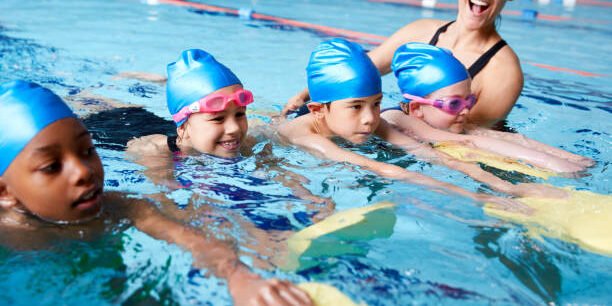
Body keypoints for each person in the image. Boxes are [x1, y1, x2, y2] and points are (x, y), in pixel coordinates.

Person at [0, 80, 312, 306]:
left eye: (87, 150)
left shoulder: (121, 207)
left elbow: (194, 240)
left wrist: (242, 279)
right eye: (52, 166)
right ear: (5, 192)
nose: (84, 171)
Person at [276, 38, 526, 209]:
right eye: (356, 106)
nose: (370, 117)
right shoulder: (304, 137)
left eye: (376, 103)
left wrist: (506, 187)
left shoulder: (372, 122)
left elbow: (429, 154)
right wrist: (475, 197)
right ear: (319, 110)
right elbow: (383, 169)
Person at [380, 42, 593, 190]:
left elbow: (499, 137)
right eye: (454, 104)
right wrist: (551, 164)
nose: (466, 110)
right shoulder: (395, 119)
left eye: (469, 101)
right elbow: (469, 141)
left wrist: (573, 159)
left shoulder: (448, 120)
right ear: (417, 108)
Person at [282, 0, 522, 127]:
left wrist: (393, 118)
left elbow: (461, 133)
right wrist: (304, 95)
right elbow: (361, 70)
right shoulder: (421, 30)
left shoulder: (504, 70)